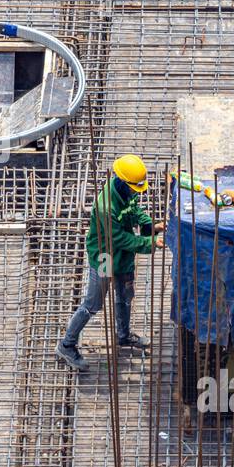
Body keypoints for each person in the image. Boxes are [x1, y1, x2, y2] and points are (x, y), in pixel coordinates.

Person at [56, 154, 165, 371]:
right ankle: (66, 345)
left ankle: (123, 336)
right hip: (105, 257)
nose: (136, 192)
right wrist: (148, 242)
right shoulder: (107, 207)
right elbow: (119, 239)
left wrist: (150, 225)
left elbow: (134, 210)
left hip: (122, 255)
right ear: (124, 183)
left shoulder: (126, 190)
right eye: (134, 188)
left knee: (125, 296)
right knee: (93, 304)